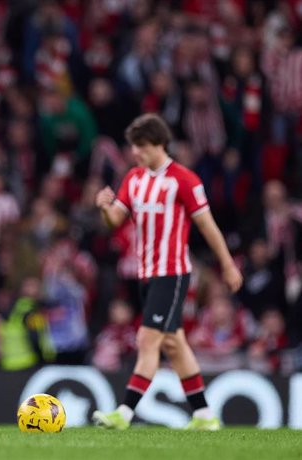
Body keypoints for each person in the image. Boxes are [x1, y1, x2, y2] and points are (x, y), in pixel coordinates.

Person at [92, 113, 243, 431]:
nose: (135, 153)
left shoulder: (184, 180)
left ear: (159, 144)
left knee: (148, 339)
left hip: (172, 273)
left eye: (141, 146)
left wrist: (228, 264)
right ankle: (204, 416)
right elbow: (115, 222)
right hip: (145, 274)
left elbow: (208, 226)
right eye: (134, 147)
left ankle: (124, 412)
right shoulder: (133, 178)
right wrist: (106, 207)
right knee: (174, 344)